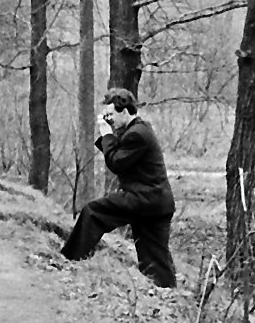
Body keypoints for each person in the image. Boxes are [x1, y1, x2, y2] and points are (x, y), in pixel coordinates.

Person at [60, 87, 177, 287]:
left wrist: (106, 134)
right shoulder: (139, 128)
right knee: (154, 256)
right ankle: (166, 292)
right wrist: (108, 135)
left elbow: (116, 162)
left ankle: (70, 259)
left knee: (93, 212)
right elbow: (119, 154)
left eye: (111, 114)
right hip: (156, 202)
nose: (109, 119)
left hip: (144, 200)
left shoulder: (137, 134)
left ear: (124, 112)